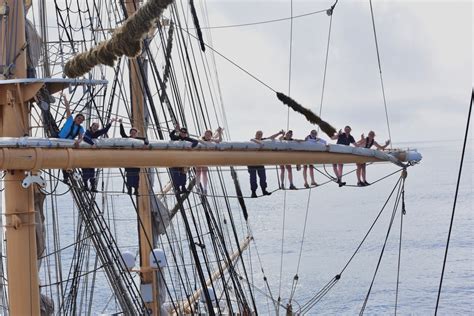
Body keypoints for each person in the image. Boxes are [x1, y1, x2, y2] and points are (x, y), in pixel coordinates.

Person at [81, 118, 117, 192]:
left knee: (92, 173)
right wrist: (93, 143)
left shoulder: (96, 133)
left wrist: (111, 122)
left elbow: (105, 130)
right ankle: (85, 186)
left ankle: (93, 187)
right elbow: (85, 138)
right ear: (91, 126)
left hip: (92, 156)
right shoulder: (87, 132)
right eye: (95, 126)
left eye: (97, 127)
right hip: (85, 155)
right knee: (85, 172)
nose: (96, 128)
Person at [248, 129, 284, 198]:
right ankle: (253, 192)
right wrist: (260, 143)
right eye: (258, 134)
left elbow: (271, 137)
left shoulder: (263, 140)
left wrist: (279, 133)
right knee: (253, 178)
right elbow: (252, 140)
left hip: (260, 162)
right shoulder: (253, 140)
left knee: (263, 177)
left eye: (260, 134)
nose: (259, 135)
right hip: (251, 162)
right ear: (256, 135)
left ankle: (264, 190)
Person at [57, 95, 85, 182]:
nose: (80, 120)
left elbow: (81, 137)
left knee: (65, 159)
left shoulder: (80, 128)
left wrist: (78, 141)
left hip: (66, 143)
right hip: (57, 138)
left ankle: (66, 177)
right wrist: (64, 97)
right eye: (79, 118)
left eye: (81, 120)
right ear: (76, 118)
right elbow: (67, 108)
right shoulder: (70, 119)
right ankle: (66, 176)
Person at [119, 119, 149, 195]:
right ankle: (129, 189)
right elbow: (122, 134)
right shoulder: (127, 139)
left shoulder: (139, 140)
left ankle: (136, 190)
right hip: (128, 160)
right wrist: (121, 124)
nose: (133, 133)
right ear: (130, 133)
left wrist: (145, 144)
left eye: (134, 132)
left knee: (136, 176)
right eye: (132, 132)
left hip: (136, 160)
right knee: (129, 176)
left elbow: (146, 139)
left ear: (136, 133)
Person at [169, 124, 199, 194]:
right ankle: (177, 189)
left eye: (184, 133)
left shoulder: (187, 139)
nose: (183, 134)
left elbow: (196, 142)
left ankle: (183, 187)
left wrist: (191, 147)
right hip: (175, 159)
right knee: (176, 175)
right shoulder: (175, 138)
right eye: (182, 132)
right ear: (180, 132)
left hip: (183, 159)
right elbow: (171, 136)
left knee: (183, 174)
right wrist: (175, 130)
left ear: (186, 134)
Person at [195, 127, 223, 194]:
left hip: (205, 158)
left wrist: (219, 133)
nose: (207, 136)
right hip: (198, 157)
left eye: (208, 135)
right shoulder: (201, 139)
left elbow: (219, 140)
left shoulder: (211, 140)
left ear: (210, 135)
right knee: (198, 172)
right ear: (204, 135)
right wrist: (207, 143)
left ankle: (205, 189)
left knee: (204, 173)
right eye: (206, 134)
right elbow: (200, 140)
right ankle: (198, 187)